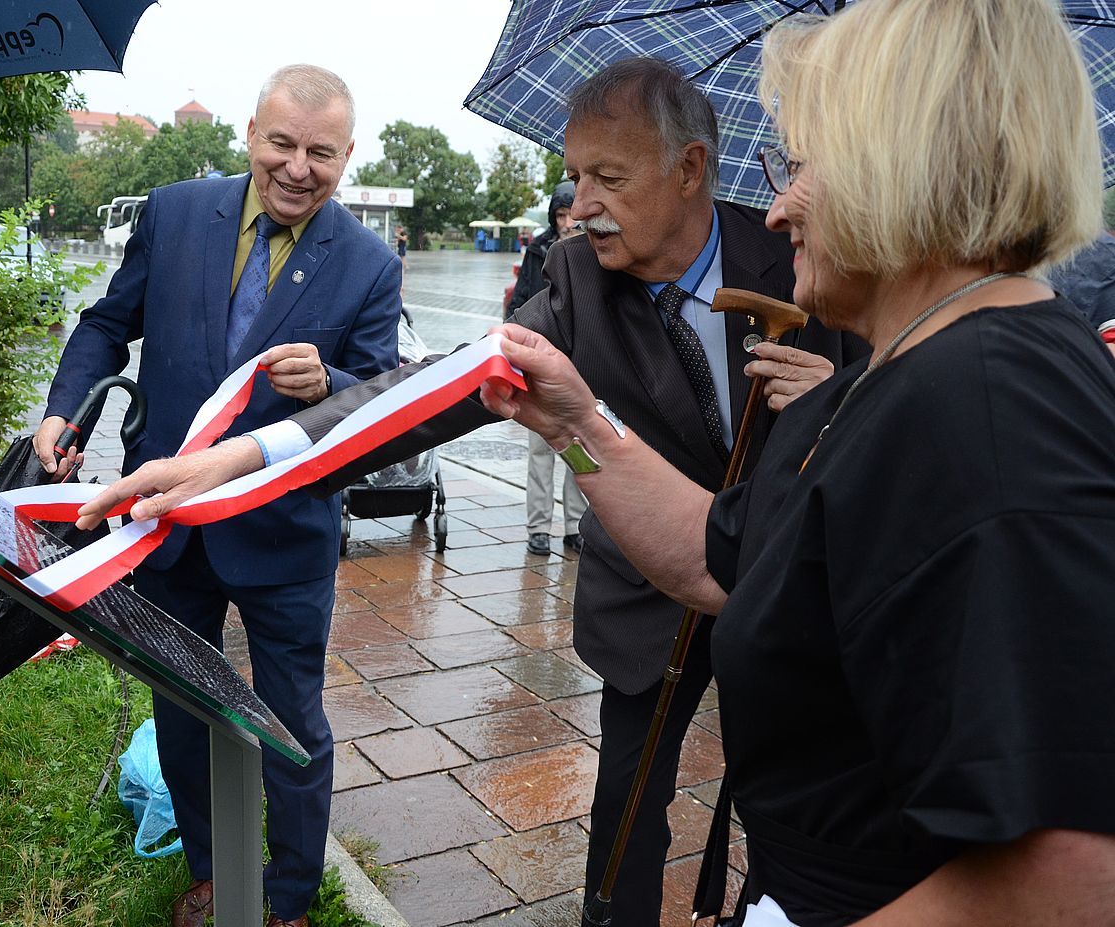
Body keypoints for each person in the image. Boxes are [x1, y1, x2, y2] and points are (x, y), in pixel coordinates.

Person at [75, 57, 863, 924]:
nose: (582, 205)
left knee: (795, 806)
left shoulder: (808, 254)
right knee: (627, 807)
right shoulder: (576, 277)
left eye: (608, 178)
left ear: (689, 169)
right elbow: (431, 388)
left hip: (793, 578)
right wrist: (240, 459)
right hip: (651, 591)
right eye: (574, 177)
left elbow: (916, 394)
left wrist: (842, 402)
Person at [474, 1, 1115, 922]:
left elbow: (1069, 879)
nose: (776, 207)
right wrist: (576, 422)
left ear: (903, 164)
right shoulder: (924, 373)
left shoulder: (986, 401)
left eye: (801, 165)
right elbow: (719, 555)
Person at [32, 64, 400, 927]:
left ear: (347, 156)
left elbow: (379, 403)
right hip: (169, 525)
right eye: (282, 144)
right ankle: (210, 868)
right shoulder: (173, 212)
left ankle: (290, 897)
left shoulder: (370, 264)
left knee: (293, 720)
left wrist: (331, 382)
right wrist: (64, 409)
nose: (297, 168)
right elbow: (106, 323)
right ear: (250, 134)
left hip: (283, 536)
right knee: (182, 707)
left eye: (320, 153)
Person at [508, 179, 588, 555]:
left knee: (579, 450)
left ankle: (576, 525)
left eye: (571, 215)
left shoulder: (593, 249)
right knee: (540, 452)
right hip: (539, 360)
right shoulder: (538, 249)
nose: (566, 222)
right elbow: (520, 299)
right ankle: (538, 527)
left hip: (580, 363)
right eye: (560, 215)